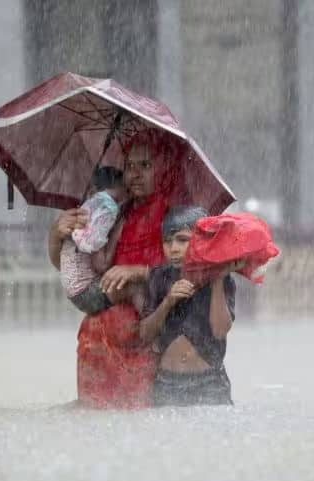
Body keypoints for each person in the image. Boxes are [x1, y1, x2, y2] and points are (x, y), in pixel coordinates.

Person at [48, 128, 189, 409]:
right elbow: (74, 270)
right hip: (98, 339)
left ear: (164, 169)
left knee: (137, 426)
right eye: (129, 166)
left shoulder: (175, 215)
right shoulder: (113, 211)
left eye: (145, 166)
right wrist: (57, 235)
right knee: (95, 428)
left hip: (145, 339)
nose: (134, 174)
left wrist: (139, 271)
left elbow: (188, 271)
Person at [138, 206, 242, 407]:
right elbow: (144, 334)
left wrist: (218, 279)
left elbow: (220, 330)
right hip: (167, 383)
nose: (174, 248)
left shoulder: (222, 276)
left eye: (182, 240)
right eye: (167, 242)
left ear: (200, 241)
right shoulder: (159, 277)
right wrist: (168, 301)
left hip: (210, 383)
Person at [58, 166, 135, 314]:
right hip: (86, 292)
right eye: (127, 189)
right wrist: (118, 231)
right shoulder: (105, 211)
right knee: (136, 289)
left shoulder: (89, 206)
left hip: (75, 291)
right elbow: (102, 265)